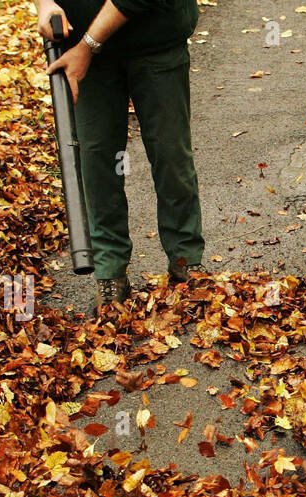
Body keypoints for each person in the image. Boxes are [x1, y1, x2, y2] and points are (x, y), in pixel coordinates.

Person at [36, 0, 205, 314]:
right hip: (83, 50)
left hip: (156, 40)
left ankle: (185, 260)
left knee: (170, 155)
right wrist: (45, 4)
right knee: (98, 160)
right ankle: (109, 270)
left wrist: (87, 46)